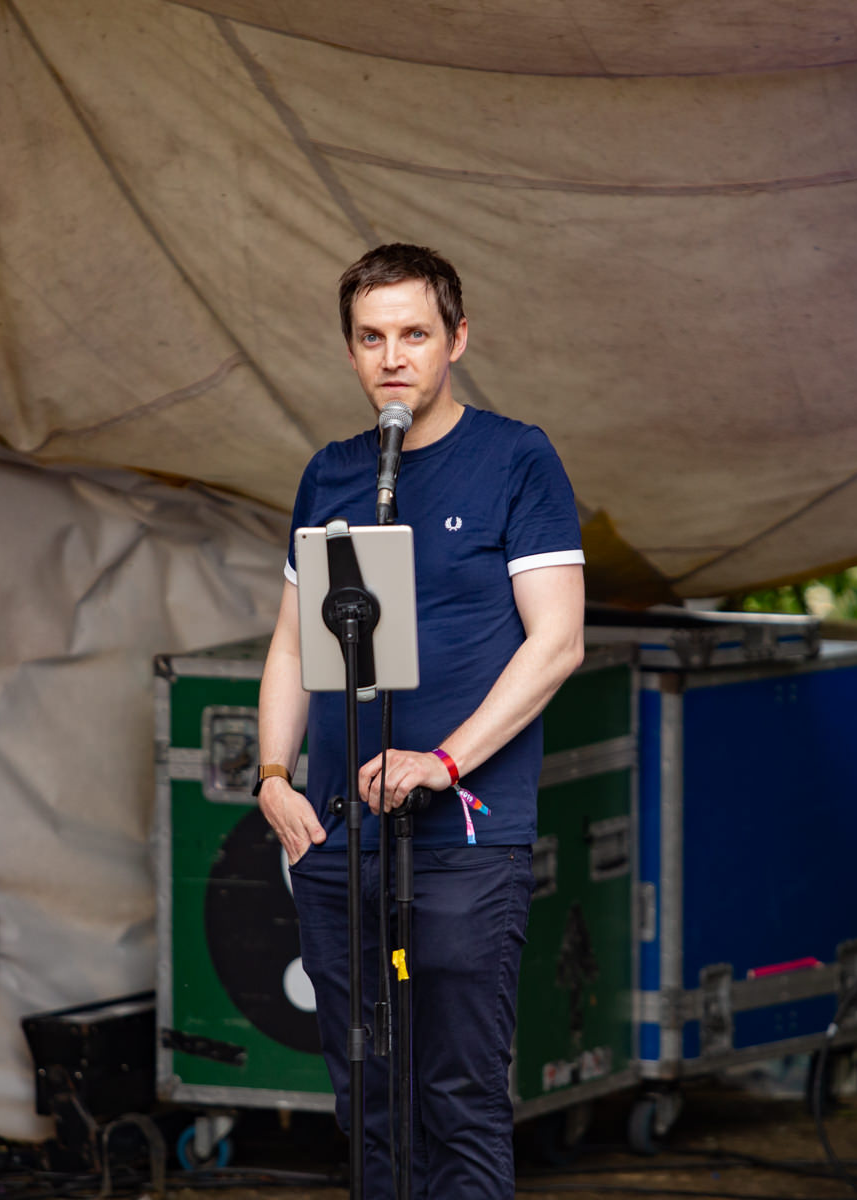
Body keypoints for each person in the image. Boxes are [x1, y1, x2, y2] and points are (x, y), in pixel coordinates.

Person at [254, 243, 586, 1198]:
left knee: (458, 1097)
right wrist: (272, 777)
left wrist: (443, 760)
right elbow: (292, 646)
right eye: (371, 337)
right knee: (367, 1100)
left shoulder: (515, 458)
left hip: (462, 844)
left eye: (414, 334)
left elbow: (558, 642)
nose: (393, 356)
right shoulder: (334, 474)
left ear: (457, 339)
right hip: (340, 838)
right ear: (350, 351)